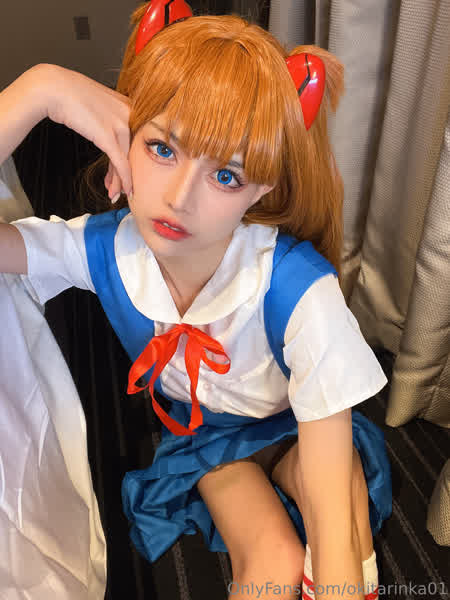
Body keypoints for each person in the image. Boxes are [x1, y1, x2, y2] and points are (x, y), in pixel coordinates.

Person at [0, 1, 392, 598]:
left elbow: (332, 513)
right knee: (273, 559)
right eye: (162, 148)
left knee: (340, 531)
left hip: (300, 422)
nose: (180, 197)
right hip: (209, 437)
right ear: (122, 135)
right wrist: (40, 90)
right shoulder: (103, 248)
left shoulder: (296, 287)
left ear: (263, 188)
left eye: (226, 176)